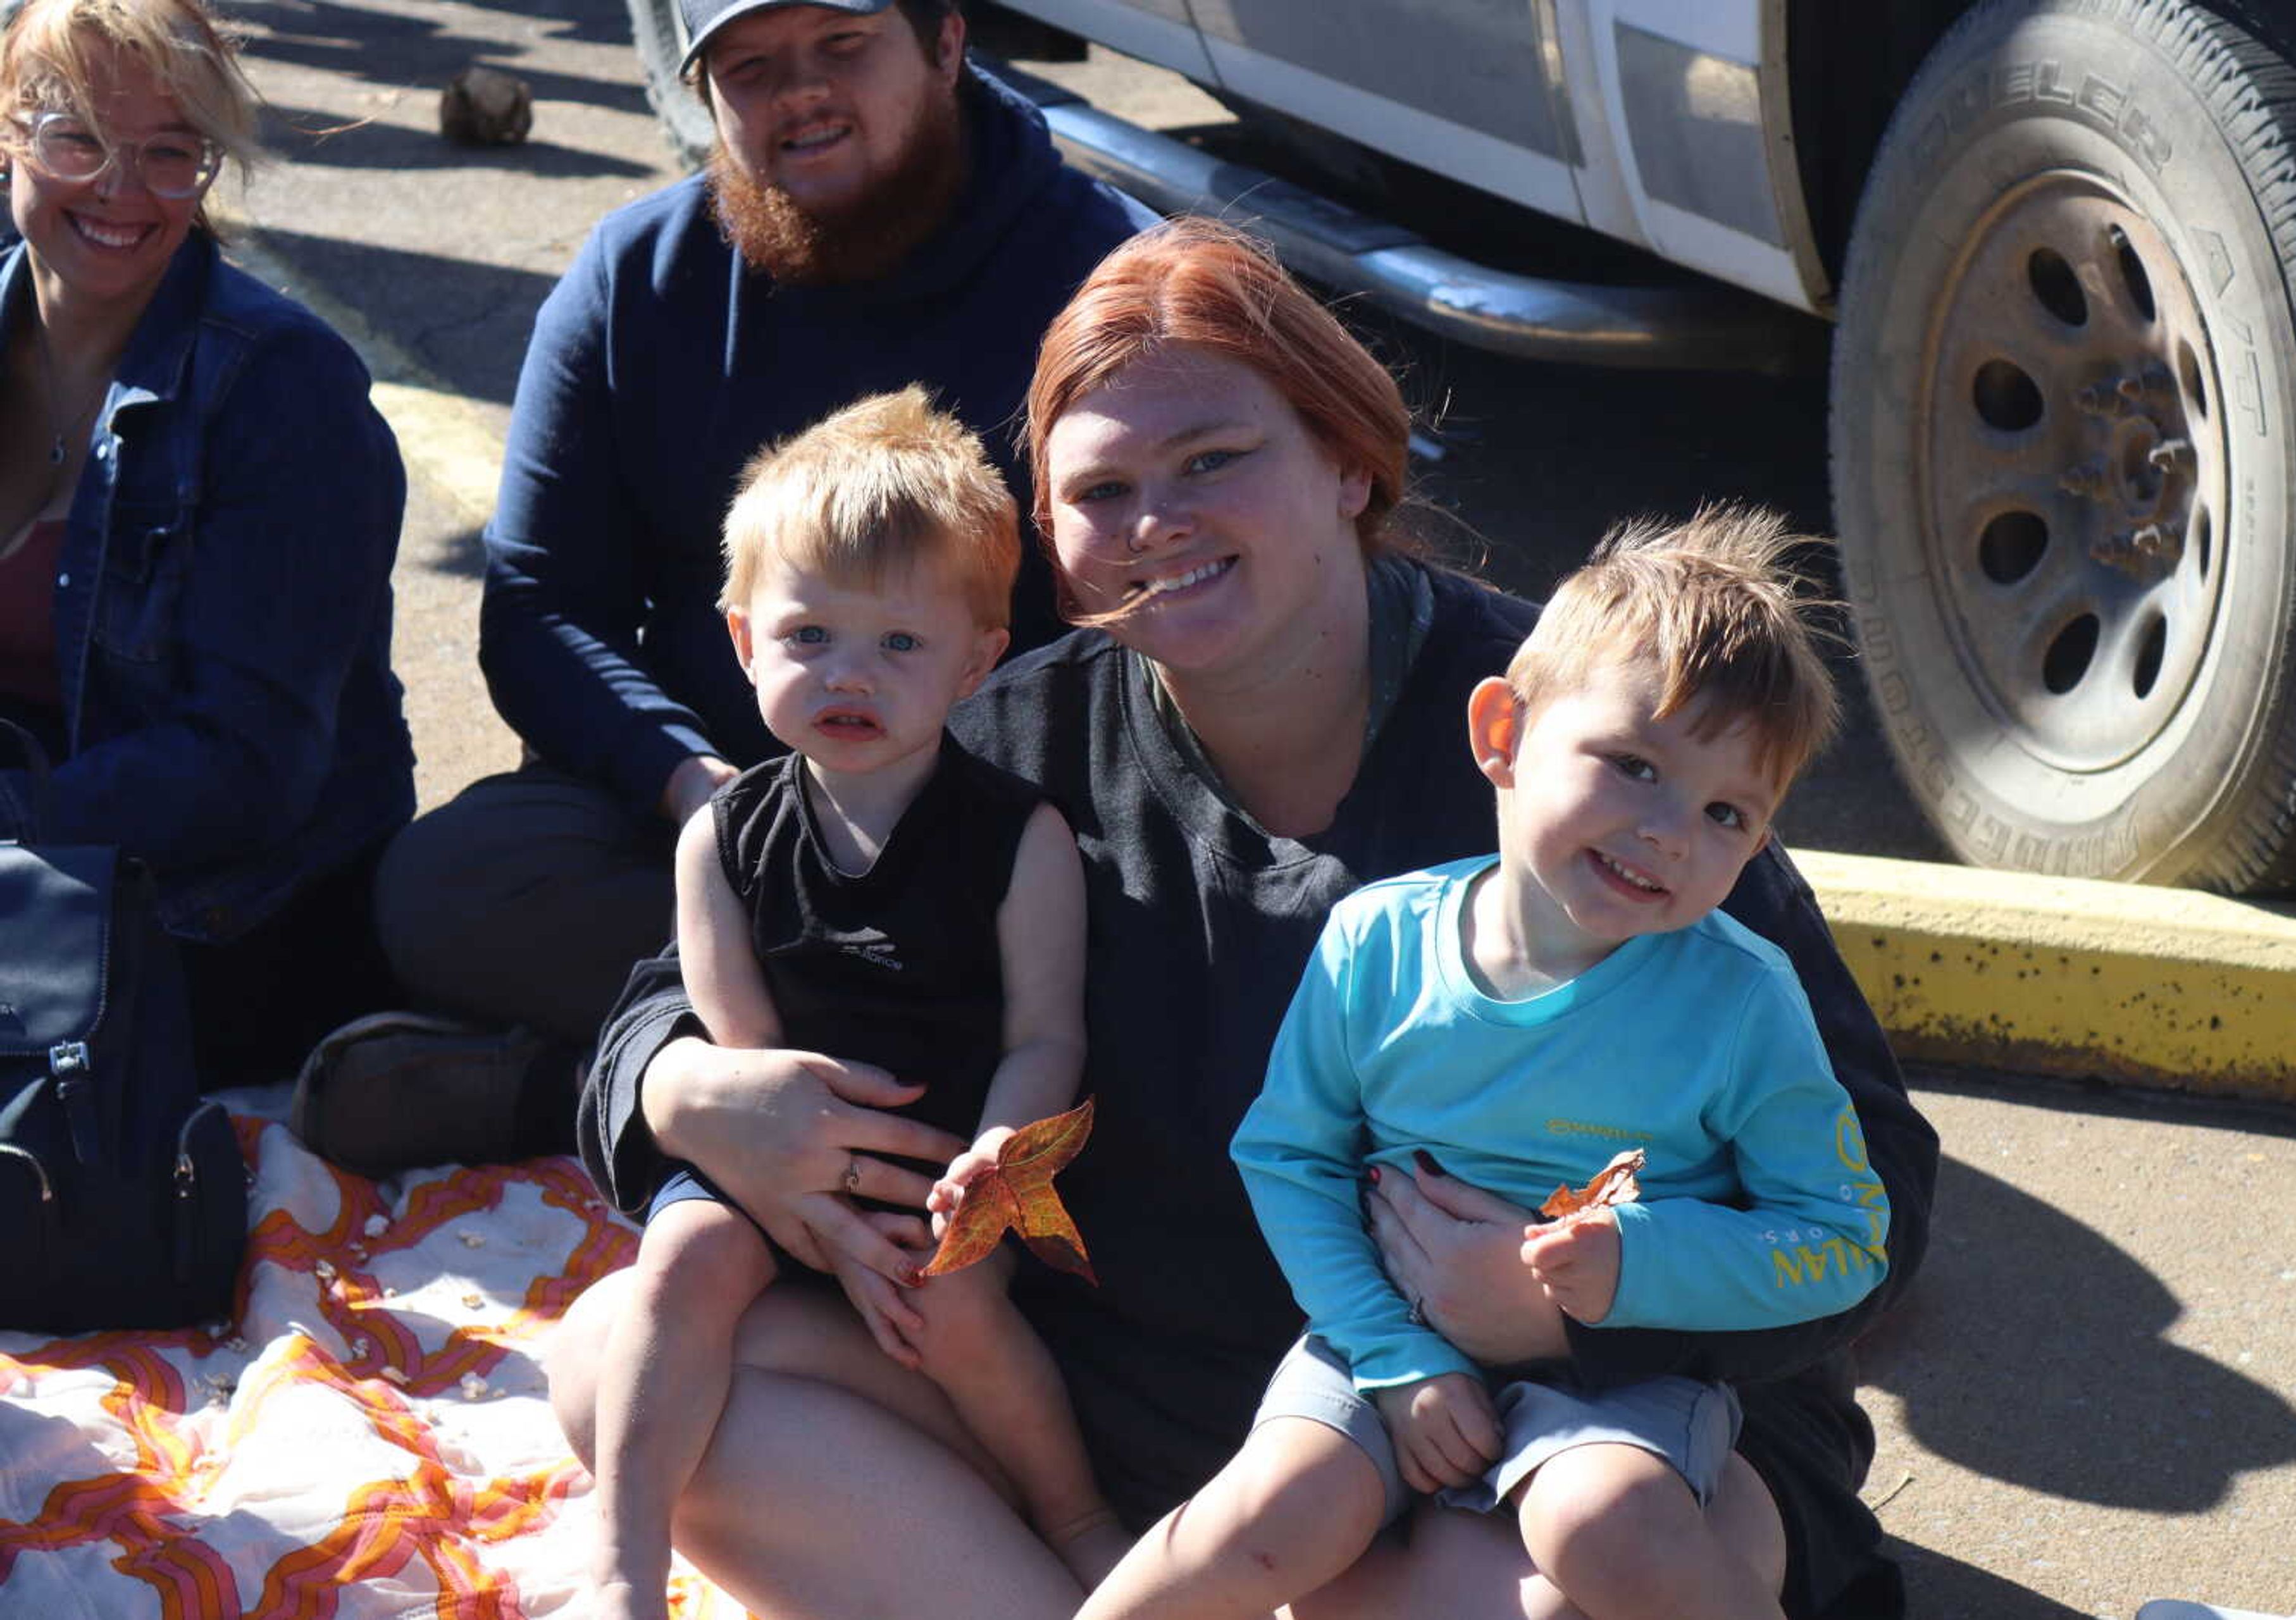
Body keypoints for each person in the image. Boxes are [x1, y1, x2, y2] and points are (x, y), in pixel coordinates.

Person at [547, 218, 1940, 1620]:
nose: (1161, 521)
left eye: (1215, 460)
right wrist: (693, 1087)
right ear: (1054, 545)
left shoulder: (1596, 747)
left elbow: (1877, 1186)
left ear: (1347, 460)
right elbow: (668, 989)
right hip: (1153, 1423)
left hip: (1548, 1435)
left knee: (1537, 1594)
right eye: (1104, 491)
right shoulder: (1003, 748)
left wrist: (1584, 1295)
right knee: (622, 1362)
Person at [302, 0, 1155, 1172]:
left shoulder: (1108, 281)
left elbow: (1164, 619)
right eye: (750, 67)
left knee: (1180, 951)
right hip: (711, 826)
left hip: (1012, 852)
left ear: (949, 43)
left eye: (843, 46)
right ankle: (729, 1086)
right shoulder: (635, 277)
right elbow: (542, 604)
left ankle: (594, 1093)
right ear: (701, 92)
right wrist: (706, 798)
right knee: (450, 883)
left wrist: (953, 829)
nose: (799, 91)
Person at [1079, 511, 1885, 1620]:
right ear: (1503, 731)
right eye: (1635, 765)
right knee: (1265, 1515)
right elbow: (1289, 1156)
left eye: (1725, 811)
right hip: (1388, 1335)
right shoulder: (1378, 941)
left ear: (1758, 844)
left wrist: (1637, 1269)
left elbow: (1844, 1238)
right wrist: (1394, 1352)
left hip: (1620, 1374)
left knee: (1605, 1525)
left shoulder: (1743, 997)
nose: (1668, 832)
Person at [589, 386, 1121, 1620]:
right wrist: (803, 1203)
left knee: (969, 1309)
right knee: (681, 1256)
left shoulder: (1018, 836)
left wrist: (999, 1152)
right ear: (740, 640)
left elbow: (1048, 1029)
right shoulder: (722, 837)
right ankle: (622, 1555)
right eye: (810, 635)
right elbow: (742, 1055)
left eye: (898, 644)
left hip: (942, 1172)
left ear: (981, 657)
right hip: (783, 1166)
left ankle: (1076, 1513)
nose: (849, 675)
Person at [0, 0, 411, 1088]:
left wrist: (11, 816)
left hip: (226, 915)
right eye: (78, 137)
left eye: (169, 155)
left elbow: (248, 770)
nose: (122, 190)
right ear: (9, 131)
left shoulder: (285, 391)